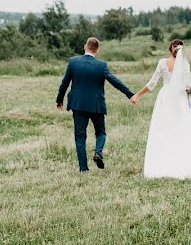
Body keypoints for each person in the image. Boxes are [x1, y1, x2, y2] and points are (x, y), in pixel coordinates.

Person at [56, 37, 135, 173]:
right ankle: (98, 152)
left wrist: (59, 99)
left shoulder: (73, 62)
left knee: (80, 136)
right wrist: (130, 94)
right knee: (101, 132)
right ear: (97, 50)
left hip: (78, 105)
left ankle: (83, 169)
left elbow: (65, 83)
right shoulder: (101, 65)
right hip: (96, 105)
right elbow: (115, 81)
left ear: (85, 47)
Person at [131, 39, 191, 179]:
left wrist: (138, 95)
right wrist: (190, 90)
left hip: (166, 98)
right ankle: (185, 162)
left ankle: (163, 162)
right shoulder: (185, 64)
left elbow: (152, 82)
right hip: (180, 99)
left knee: (164, 128)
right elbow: (187, 85)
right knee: (182, 128)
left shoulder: (162, 62)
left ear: (170, 49)